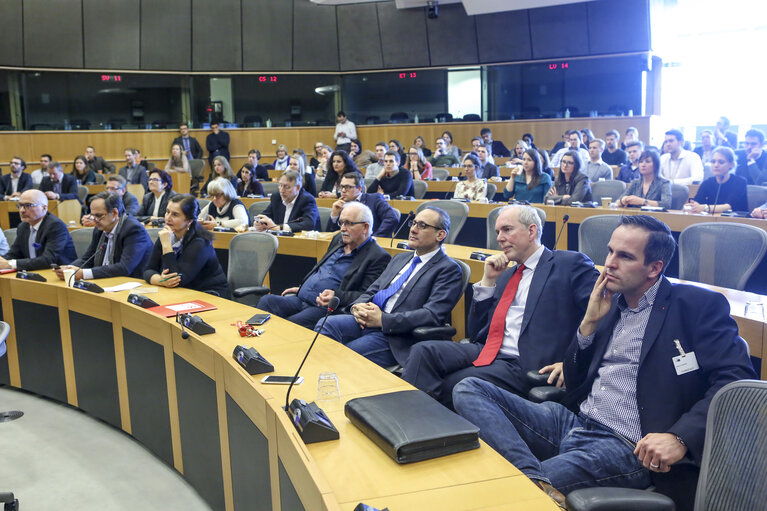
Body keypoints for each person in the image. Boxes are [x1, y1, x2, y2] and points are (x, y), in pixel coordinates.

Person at [452, 215, 756, 509]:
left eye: (624, 256)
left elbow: (735, 380)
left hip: (625, 445)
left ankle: (529, 483)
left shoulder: (695, 306)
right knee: (469, 388)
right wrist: (587, 325)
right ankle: (534, 479)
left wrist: (680, 437)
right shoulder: (608, 303)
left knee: (502, 495)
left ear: (654, 268)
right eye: (610, 251)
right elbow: (573, 380)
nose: (609, 263)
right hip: (575, 422)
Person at [402, 205, 597, 408]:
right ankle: (410, 421)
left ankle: (419, 425)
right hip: (488, 350)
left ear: (531, 231)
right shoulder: (505, 275)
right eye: (497, 232)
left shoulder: (569, 264)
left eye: (507, 230)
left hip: (525, 361)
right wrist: (487, 282)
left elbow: (601, 316)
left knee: (454, 383)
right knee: (421, 351)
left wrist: (572, 363)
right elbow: (477, 333)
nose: (499, 238)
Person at [316, 206, 464, 368]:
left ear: (440, 234)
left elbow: (431, 315)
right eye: (413, 223)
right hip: (368, 321)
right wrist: (357, 307)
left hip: (397, 335)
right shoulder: (400, 258)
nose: (413, 230)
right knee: (326, 324)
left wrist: (383, 320)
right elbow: (374, 289)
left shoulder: (448, 269)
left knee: (348, 354)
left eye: (422, 226)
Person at [259, 202, 391, 329]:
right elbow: (322, 270)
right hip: (302, 298)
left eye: (349, 223)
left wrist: (336, 296)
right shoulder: (338, 240)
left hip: (324, 308)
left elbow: (367, 296)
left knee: (290, 325)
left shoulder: (377, 257)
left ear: (365, 227)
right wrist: (303, 287)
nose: (343, 228)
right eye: (341, 222)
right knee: (267, 301)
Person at [144, 194, 230, 298]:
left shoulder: (200, 242)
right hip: (183, 293)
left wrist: (167, 245)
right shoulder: (167, 234)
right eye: (167, 212)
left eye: (175, 215)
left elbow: (178, 280)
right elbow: (148, 270)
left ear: (189, 220)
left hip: (210, 295)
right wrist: (161, 281)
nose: (168, 218)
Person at [55, 192, 153, 281]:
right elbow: (87, 259)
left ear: (115, 213)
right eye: (92, 216)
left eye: (99, 215)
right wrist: (68, 269)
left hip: (133, 283)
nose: (95, 220)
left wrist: (83, 274)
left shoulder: (133, 229)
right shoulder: (100, 229)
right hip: (106, 281)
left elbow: (124, 268)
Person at [0, 189, 77, 271]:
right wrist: (3, 261)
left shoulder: (55, 226)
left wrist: (11, 264)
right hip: (33, 272)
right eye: (20, 205)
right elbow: (14, 254)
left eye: (28, 205)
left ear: (44, 208)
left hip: (59, 275)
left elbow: (49, 260)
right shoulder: (23, 226)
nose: (22, 210)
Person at [328, 173, 399, 237]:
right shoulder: (341, 205)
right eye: (342, 187)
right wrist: (334, 215)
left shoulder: (374, 199)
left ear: (359, 189)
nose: (343, 190)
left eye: (348, 187)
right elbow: (332, 234)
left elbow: (392, 218)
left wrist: (375, 238)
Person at [253, 170, 320, 232]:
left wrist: (280, 228)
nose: (282, 190)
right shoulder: (277, 197)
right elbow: (264, 215)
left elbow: (309, 223)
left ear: (298, 188)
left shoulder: (307, 199)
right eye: (280, 185)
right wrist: (258, 222)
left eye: (286, 187)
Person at [689, 146, 748, 214]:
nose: (716, 165)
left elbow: (728, 206)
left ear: (731, 164)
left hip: (735, 221)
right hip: (710, 221)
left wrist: (705, 208)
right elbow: (697, 202)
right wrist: (692, 206)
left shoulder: (740, 182)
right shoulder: (707, 182)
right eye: (713, 162)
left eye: (721, 162)